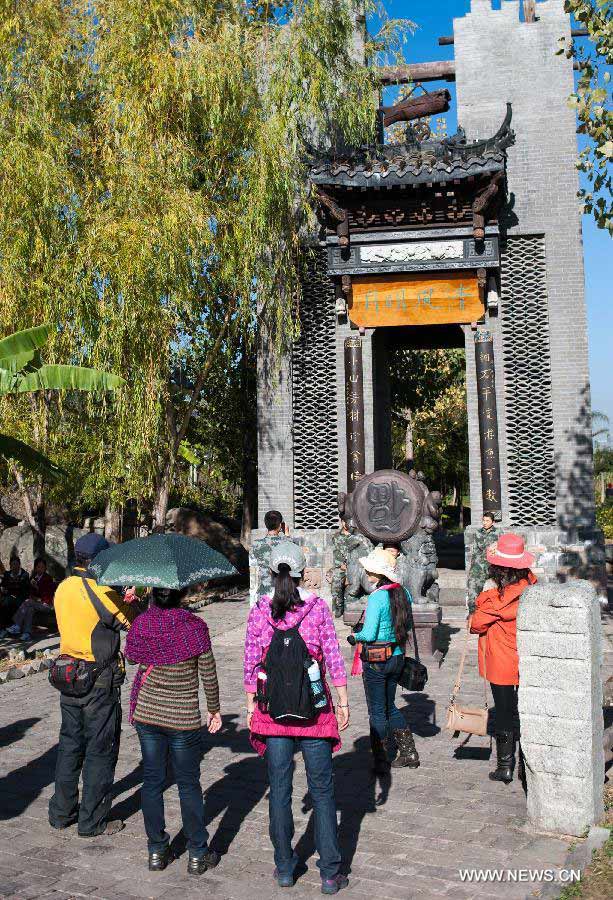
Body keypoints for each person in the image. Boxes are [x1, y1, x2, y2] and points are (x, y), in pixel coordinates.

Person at [244, 542, 350, 894]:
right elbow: (332, 654)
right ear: (304, 572)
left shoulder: (260, 609)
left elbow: (251, 661)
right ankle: (330, 873)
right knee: (322, 792)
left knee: (280, 791)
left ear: (272, 574)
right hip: (315, 711)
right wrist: (344, 699)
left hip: (272, 712)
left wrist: (249, 705)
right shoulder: (317, 607)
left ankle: (285, 867)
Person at [125, 587, 222, 875]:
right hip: (182, 719)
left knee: (153, 781)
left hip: (148, 714)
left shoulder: (142, 623)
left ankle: (156, 851)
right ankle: (197, 854)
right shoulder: (194, 627)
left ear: (154, 595)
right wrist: (214, 709)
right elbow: (208, 671)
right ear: (181, 596)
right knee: (188, 784)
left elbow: (131, 656)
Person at [48, 533, 137, 837]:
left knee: (70, 745)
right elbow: (130, 622)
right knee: (100, 749)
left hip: (67, 676)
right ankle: (92, 820)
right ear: (98, 560)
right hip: (99, 681)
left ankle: (61, 812)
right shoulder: (101, 591)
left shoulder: (63, 587)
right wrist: (131, 599)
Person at [470, 533, 536, 784]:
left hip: (502, 661)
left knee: (506, 713)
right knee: (525, 711)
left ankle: (505, 765)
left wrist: (486, 591)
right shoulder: (530, 586)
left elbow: (475, 624)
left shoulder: (497, 597)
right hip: (526, 657)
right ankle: (525, 767)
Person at [349, 548, 419, 774]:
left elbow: (369, 634)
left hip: (377, 660)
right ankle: (409, 753)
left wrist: (354, 637)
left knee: (377, 711)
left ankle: (380, 760)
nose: (367, 572)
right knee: (389, 706)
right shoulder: (404, 593)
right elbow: (407, 625)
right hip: (397, 656)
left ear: (379, 574)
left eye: (370, 569)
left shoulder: (377, 597)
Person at [4, 558, 56, 642]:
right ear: (35, 568)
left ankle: (17, 625)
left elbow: (48, 594)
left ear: (45, 568)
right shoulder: (34, 578)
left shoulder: (47, 578)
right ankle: (27, 634)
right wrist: (33, 589)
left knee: (27, 602)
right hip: (35, 603)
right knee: (30, 609)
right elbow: (30, 593)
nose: (40, 569)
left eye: (42, 567)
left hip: (46, 604)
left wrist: (37, 589)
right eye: (38, 567)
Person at [248, 509, 290, 607]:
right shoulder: (288, 543)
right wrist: (287, 534)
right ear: (280, 525)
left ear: (266, 524)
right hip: (283, 591)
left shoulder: (256, 544)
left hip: (264, 591)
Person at [466, 513, 500, 613]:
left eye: (487, 521)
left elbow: (501, 550)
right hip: (479, 567)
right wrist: (472, 568)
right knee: (473, 589)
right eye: (483, 520)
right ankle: (473, 612)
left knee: (494, 592)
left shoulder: (499, 533)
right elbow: (475, 551)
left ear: (493, 522)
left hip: (493, 566)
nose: (484, 523)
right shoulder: (478, 533)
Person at [330, 517, 352, 619]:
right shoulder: (337, 537)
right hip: (341, 566)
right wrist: (342, 565)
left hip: (355, 566)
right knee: (336, 579)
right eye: (347, 522)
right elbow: (336, 554)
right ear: (343, 522)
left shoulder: (357, 536)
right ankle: (338, 607)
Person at [0, 556, 30, 628]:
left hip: (20, 597)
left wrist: (12, 588)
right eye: (13, 564)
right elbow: (3, 585)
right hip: (8, 596)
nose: (15, 566)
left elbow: (24, 589)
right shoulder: (7, 574)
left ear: (19, 565)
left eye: (16, 564)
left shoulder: (25, 574)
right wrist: (3, 589)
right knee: (5, 603)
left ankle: (12, 626)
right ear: (10, 566)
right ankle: (5, 627)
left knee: (10, 602)